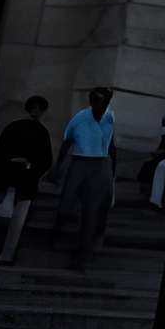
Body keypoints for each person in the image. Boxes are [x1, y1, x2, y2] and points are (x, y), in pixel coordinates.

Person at [0, 95, 53, 265]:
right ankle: (5, 254)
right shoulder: (37, 131)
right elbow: (45, 160)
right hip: (19, 178)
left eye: (39, 108)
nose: (37, 111)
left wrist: (16, 165)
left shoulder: (17, 127)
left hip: (15, 177)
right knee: (13, 219)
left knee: (13, 219)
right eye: (36, 108)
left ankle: (5, 254)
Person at [53, 87, 117, 270]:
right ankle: (59, 231)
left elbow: (112, 146)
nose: (100, 104)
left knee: (92, 212)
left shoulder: (109, 119)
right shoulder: (80, 118)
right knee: (66, 202)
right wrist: (58, 167)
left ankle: (83, 254)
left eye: (103, 101)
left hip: (101, 166)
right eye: (96, 100)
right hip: (79, 163)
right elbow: (67, 142)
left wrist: (112, 175)